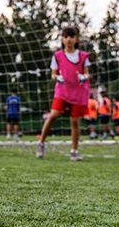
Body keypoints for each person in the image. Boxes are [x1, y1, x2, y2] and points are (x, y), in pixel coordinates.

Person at [37, 26, 91, 161]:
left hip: (78, 93)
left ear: (76, 39)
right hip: (62, 91)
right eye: (66, 37)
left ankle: (74, 150)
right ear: (62, 39)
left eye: (72, 37)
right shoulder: (57, 56)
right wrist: (57, 78)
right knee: (53, 115)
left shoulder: (83, 56)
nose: (69, 40)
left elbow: (87, 72)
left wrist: (84, 77)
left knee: (74, 121)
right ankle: (41, 143)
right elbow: (53, 74)